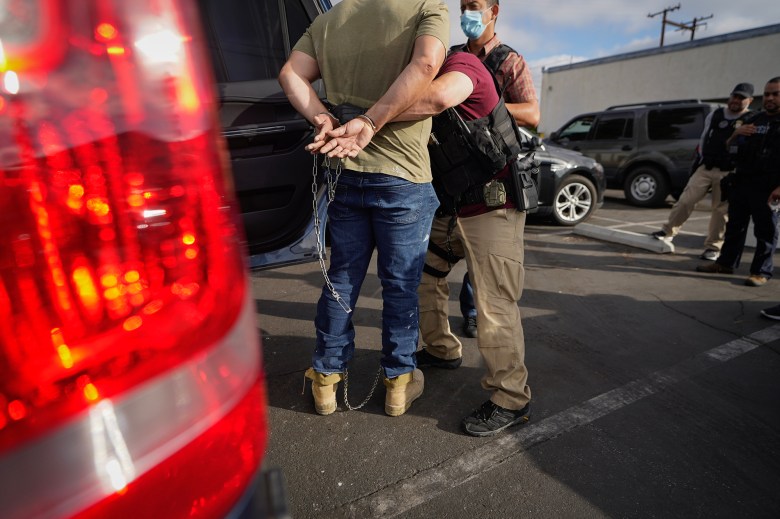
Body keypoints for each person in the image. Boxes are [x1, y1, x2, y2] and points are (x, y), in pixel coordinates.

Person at [277, 0, 449, 417]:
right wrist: (371, 122)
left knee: (342, 279)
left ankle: (325, 379)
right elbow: (426, 65)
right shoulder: (428, 8)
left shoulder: (329, 19)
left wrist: (320, 116)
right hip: (404, 174)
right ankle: (398, 383)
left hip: (345, 171)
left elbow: (290, 74)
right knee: (401, 285)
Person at [396, 49, 532, 437]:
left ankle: (511, 398)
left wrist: (372, 116)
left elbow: (438, 98)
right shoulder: (419, 81)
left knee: (494, 303)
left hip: (494, 206)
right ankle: (442, 348)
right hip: (455, 209)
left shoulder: (463, 66)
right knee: (425, 273)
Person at [455, 0, 540, 338]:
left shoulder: (510, 60)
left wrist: (484, 100)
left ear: (494, 11)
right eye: (461, 7)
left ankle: (474, 311)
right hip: (454, 167)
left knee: (487, 255)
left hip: (495, 168)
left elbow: (533, 114)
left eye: (473, 6)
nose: (466, 14)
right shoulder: (452, 56)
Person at [651, 83, 755, 261]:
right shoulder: (715, 114)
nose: (736, 101)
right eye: (734, 96)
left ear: (749, 100)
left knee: (721, 212)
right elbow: (704, 137)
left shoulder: (753, 118)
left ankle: (713, 247)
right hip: (706, 166)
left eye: (741, 98)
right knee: (685, 200)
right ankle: (667, 231)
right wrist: (699, 160)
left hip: (729, 171)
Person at [697, 77, 780, 286]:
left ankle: (761, 272)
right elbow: (729, 147)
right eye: (767, 93)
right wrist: (735, 134)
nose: (770, 98)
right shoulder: (755, 119)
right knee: (735, 226)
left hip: (769, 186)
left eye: (775, 94)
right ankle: (725, 263)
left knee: (766, 231)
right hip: (743, 181)